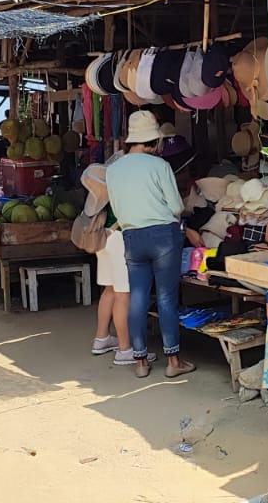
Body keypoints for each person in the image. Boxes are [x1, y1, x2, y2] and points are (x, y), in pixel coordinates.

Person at [107, 110, 194, 379]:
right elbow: (177, 207)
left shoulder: (113, 169)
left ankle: (141, 362)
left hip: (132, 237)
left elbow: (118, 210)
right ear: (154, 141)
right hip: (163, 236)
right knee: (167, 298)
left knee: (138, 297)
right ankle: (173, 361)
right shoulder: (160, 166)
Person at [82, 155, 151, 366]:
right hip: (119, 239)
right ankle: (125, 349)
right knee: (123, 294)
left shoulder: (102, 190)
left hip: (103, 238)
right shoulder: (123, 188)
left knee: (110, 290)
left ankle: (101, 338)